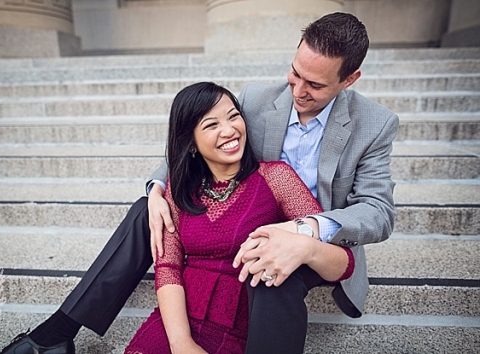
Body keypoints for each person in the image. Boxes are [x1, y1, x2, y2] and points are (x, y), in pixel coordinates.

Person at [0, 12, 397, 354]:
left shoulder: (375, 124)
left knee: (271, 269)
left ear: (349, 79)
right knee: (147, 213)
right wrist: (158, 189)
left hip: (319, 235)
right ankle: (57, 334)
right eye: (295, 72)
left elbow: (378, 211)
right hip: (249, 209)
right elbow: (198, 138)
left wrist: (307, 231)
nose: (298, 90)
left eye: (315, 84)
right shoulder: (258, 99)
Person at [122, 82, 353, 354]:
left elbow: (344, 263)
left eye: (233, 116)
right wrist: (182, 343)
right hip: (175, 325)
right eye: (211, 125)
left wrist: (307, 248)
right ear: (191, 143)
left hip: (240, 329)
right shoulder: (179, 188)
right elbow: (168, 266)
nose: (229, 130)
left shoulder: (276, 178)